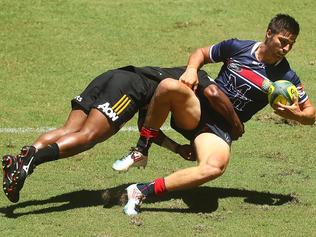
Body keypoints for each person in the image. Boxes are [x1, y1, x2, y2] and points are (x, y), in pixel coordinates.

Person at [114, 14, 316, 215]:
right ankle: (141, 150)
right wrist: (192, 69)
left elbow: (311, 114)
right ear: (269, 33)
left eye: (291, 44)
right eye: (283, 41)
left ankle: (141, 190)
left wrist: (297, 115)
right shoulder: (238, 47)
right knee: (168, 86)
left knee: (213, 168)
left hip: (220, 130)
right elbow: (201, 53)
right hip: (198, 109)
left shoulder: (286, 76)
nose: (286, 49)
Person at [2, 65, 242, 203]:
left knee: (68, 130)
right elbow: (210, 93)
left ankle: (21, 161)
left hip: (113, 75)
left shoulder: (173, 77)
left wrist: (177, 149)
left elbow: (146, 128)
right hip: (130, 88)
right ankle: (31, 160)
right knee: (89, 136)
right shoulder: (197, 82)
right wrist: (233, 123)